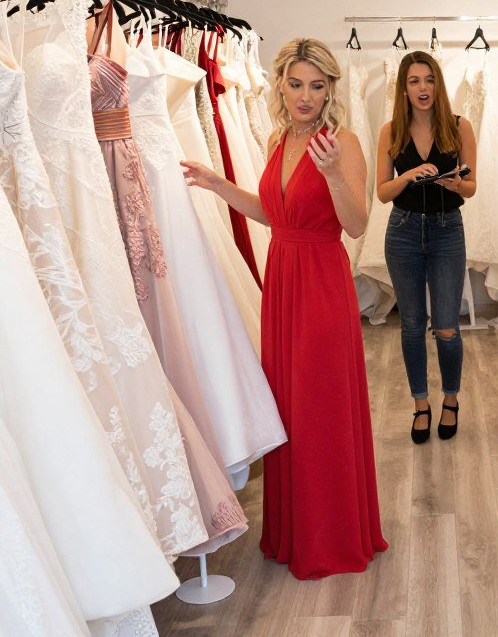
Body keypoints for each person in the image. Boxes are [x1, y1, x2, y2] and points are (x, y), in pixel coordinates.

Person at [181, 38, 387, 579]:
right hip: (283, 281)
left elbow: (358, 224)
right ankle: (294, 530)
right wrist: (216, 183)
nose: (305, 96)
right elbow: (273, 215)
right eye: (296, 84)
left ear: (330, 90)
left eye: (317, 86)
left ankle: (333, 537)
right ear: (281, 85)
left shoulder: (341, 141)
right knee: (289, 409)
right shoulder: (277, 137)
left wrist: (335, 174)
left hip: (321, 282)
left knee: (320, 405)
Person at [375, 50, 477, 444]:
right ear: (403, 88)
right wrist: (411, 175)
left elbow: (471, 186)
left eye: (429, 80)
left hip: (447, 230)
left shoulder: (458, 126)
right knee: (413, 326)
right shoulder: (391, 131)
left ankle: (450, 398)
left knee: (447, 327)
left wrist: (455, 184)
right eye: (414, 81)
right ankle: (421, 404)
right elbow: (383, 193)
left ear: (438, 84)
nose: (422, 88)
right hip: (402, 231)